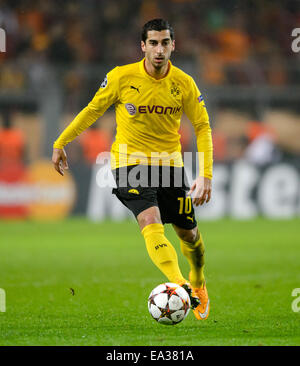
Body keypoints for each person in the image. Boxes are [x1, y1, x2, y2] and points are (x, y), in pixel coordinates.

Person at [52, 19, 213, 320]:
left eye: (165, 42)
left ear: (173, 45)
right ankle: (180, 285)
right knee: (149, 219)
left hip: (169, 166)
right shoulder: (121, 77)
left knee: (189, 235)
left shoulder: (184, 83)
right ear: (143, 46)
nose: (159, 49)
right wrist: (62, 141)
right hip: (130, 163)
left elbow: (202, 126)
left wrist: (206, 174)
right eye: (153, 43)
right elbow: (92, 110)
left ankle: (197, 279)